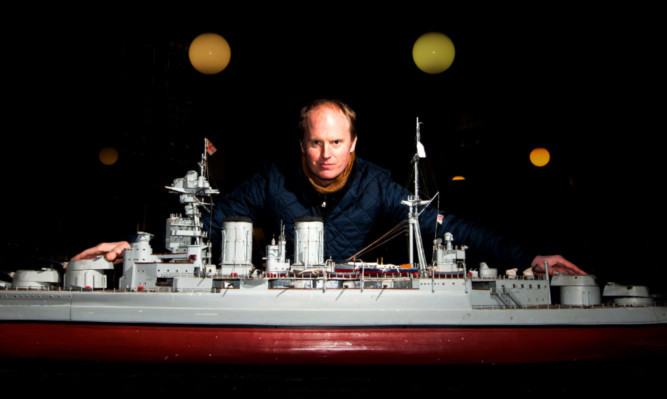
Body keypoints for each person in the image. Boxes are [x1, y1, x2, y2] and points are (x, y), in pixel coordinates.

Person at [72, 99, 585, 277]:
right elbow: (205, 222)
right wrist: (136, 251)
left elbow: (447, 226)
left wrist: (531, 256)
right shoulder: (273, 180)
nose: (326, 155)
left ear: (354, 142)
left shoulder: (379, 184)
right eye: (316, 143)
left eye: (336, 142)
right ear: (302, 145)